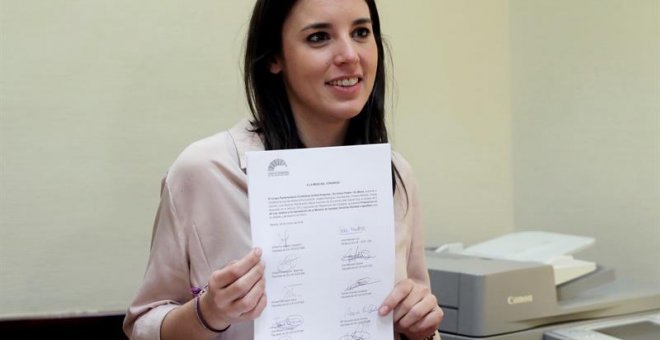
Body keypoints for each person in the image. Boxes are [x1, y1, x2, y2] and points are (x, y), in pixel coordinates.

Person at [123, 0, 444, 339]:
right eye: (319, 37)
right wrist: (209, 312)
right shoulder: (206, 170)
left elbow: (416, 317)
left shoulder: (395, 173)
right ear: (275, 58)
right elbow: (142, 327)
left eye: (361, 32)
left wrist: (420, 327)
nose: (350, 55)